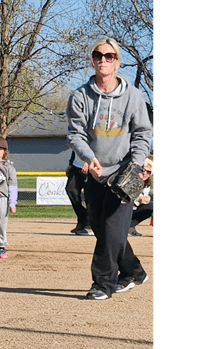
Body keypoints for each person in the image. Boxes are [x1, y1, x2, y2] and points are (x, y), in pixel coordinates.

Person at [66, 37, 153, 299]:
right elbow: (75, 133)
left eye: (109, 56)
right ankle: (133, 271)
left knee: (113, 229)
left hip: (126, 172)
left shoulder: (133, 96)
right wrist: (88, 157)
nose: (103, 60)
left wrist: (136, 164)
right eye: (98, 55)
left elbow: (142, 133)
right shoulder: (80, 96)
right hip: (94, 172)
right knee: (101, 228)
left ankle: (103, 283)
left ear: (117, 61)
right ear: (92, 60)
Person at [65, 151, 91, 236]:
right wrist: (70, 164)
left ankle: (90, 225)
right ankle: (83, 219)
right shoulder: (75, 137)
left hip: (91, 167)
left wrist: (88, 162)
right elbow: (74, 148)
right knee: (71, 189)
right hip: (76, 166)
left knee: (89, 195)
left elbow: (94, 145)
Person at [129, 156, 154, 237]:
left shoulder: (147, 183)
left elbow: (144, 196)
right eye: (143, 170)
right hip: (124, 209)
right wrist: (138, 199)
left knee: (152, 206)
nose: (145, 173)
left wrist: (146, 199)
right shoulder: (130, 179)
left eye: (148, 171)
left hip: (134, 209)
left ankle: (130, 226)